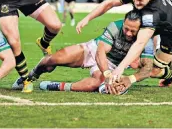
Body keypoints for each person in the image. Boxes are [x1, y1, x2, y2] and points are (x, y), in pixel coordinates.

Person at [26, 10, 154, 93]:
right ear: (124, 22)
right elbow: (100, 51)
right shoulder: (115, 26)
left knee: (95, 84)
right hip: (92, 50)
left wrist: (130, 79)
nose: (128, 33)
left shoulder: (146, 39)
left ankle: (56, 85)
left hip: (112, 64)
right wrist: (108, 74)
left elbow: (148, 68)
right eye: (126, 29)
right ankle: (29, 76)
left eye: (133, 31)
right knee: (53, 59)